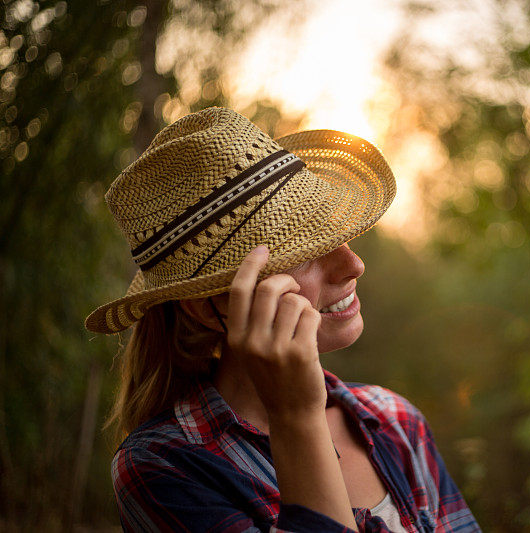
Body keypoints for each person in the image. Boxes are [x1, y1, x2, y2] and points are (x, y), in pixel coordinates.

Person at [85, 107, 481, 532]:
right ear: (207, 305)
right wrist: (297, 418)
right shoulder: (163, 467)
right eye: (303, 250)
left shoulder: (394, 420)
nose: (353, 265)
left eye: (334, 232)